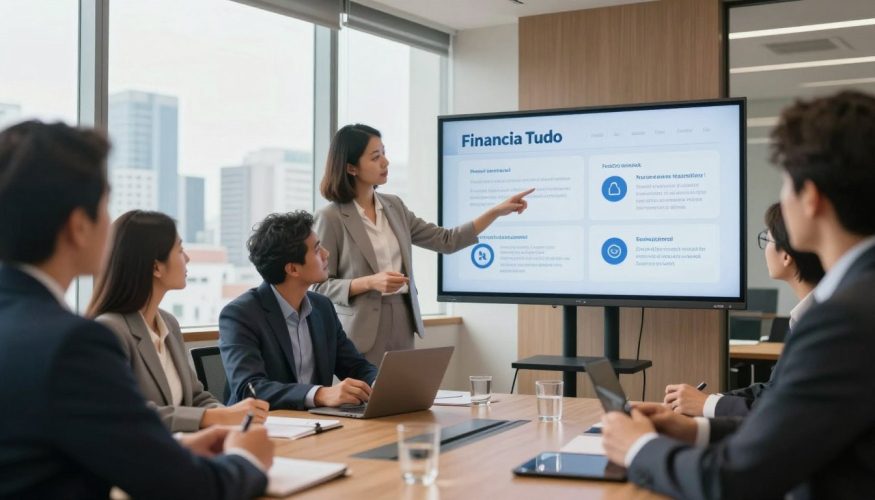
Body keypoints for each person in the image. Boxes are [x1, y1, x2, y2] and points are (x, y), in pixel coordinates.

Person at [602, 90, 875, 499]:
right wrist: (695, 428)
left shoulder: (845, 317)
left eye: (785, 183)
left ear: (811, 197)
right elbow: (799, 429)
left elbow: (734, 480)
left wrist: (638, 447)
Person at [0, 121, 272, 498]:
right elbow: (187, 490)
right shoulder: (74, 343)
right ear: (79, 226)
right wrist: (248, 460)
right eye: (104, 208)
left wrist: (169, 451)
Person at [314, 124, 534, 364]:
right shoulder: (331, 217)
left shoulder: (394, 207)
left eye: (384, 153)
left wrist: (495, 212)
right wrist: (369, 282)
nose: (385, 162)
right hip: (360, 329)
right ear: (351, 167)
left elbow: (446, 241)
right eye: (376, 157)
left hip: (403, 317)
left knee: (403, 398)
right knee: (366, 399)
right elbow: (319, 287)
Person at [87, 210, 270, 432]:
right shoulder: (110, 330)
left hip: (187, 450)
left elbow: (196, 397)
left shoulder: (168, 323)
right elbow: (127, 412)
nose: (188, 258)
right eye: (180, 250)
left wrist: (236, 420)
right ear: (156, 267)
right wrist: (219, 417)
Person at [664, 202, 825, 417]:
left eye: (767, 239)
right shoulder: (811, 315)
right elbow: (772, 391)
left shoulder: (822, 325)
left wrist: (707, 405)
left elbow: (784, 411)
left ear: (786, 255)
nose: (765, 249)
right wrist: (708, 401)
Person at [220, 211, 378, 410]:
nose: (326, 254)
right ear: (293, 269)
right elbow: (250, 388)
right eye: (317, 249)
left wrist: (378, 384)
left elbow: (356, 366)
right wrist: (319, 394)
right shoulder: (240, 315)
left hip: (317, 424)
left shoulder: (323, 307)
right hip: (264, 427)